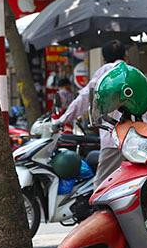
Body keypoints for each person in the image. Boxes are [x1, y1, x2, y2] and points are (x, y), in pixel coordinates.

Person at [53, 40, 129, 186]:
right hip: (137, 139)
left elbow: (83, 99)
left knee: (101, 186)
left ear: (103, 58)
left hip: (114, 139)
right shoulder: (134, 72)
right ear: (125, 56)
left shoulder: (105, 71)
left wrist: (61, 120)